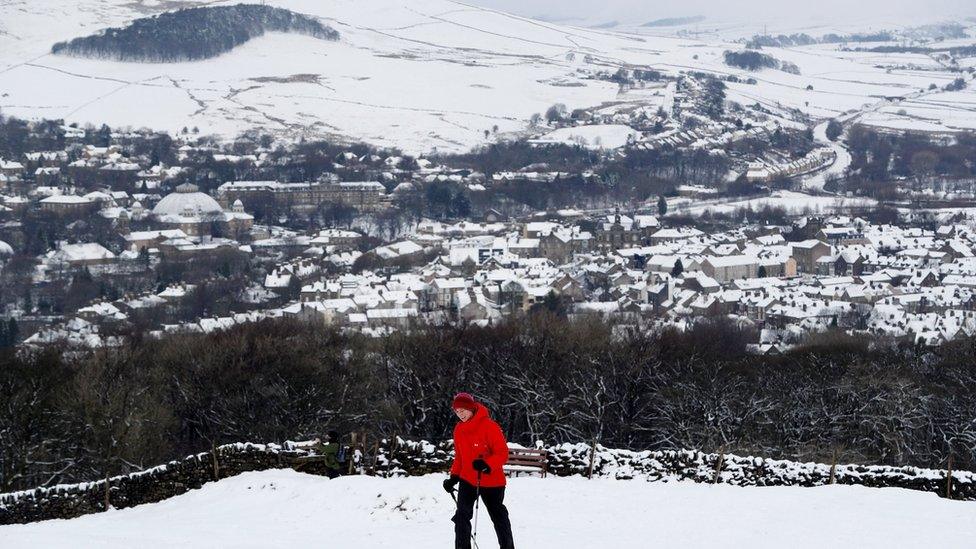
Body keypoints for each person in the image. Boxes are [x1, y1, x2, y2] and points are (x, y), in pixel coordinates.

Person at [442, 392, 515, 549]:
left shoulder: (489, 426)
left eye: (462, 410)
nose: (460, 414)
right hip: (468, 480)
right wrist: (453, 477)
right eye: (456, 411)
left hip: (492, 481)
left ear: (471, 408)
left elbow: (502, 453)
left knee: (498, 516)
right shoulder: (459, 430)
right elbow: (460, 457)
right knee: (461, 516)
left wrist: (487, 464)